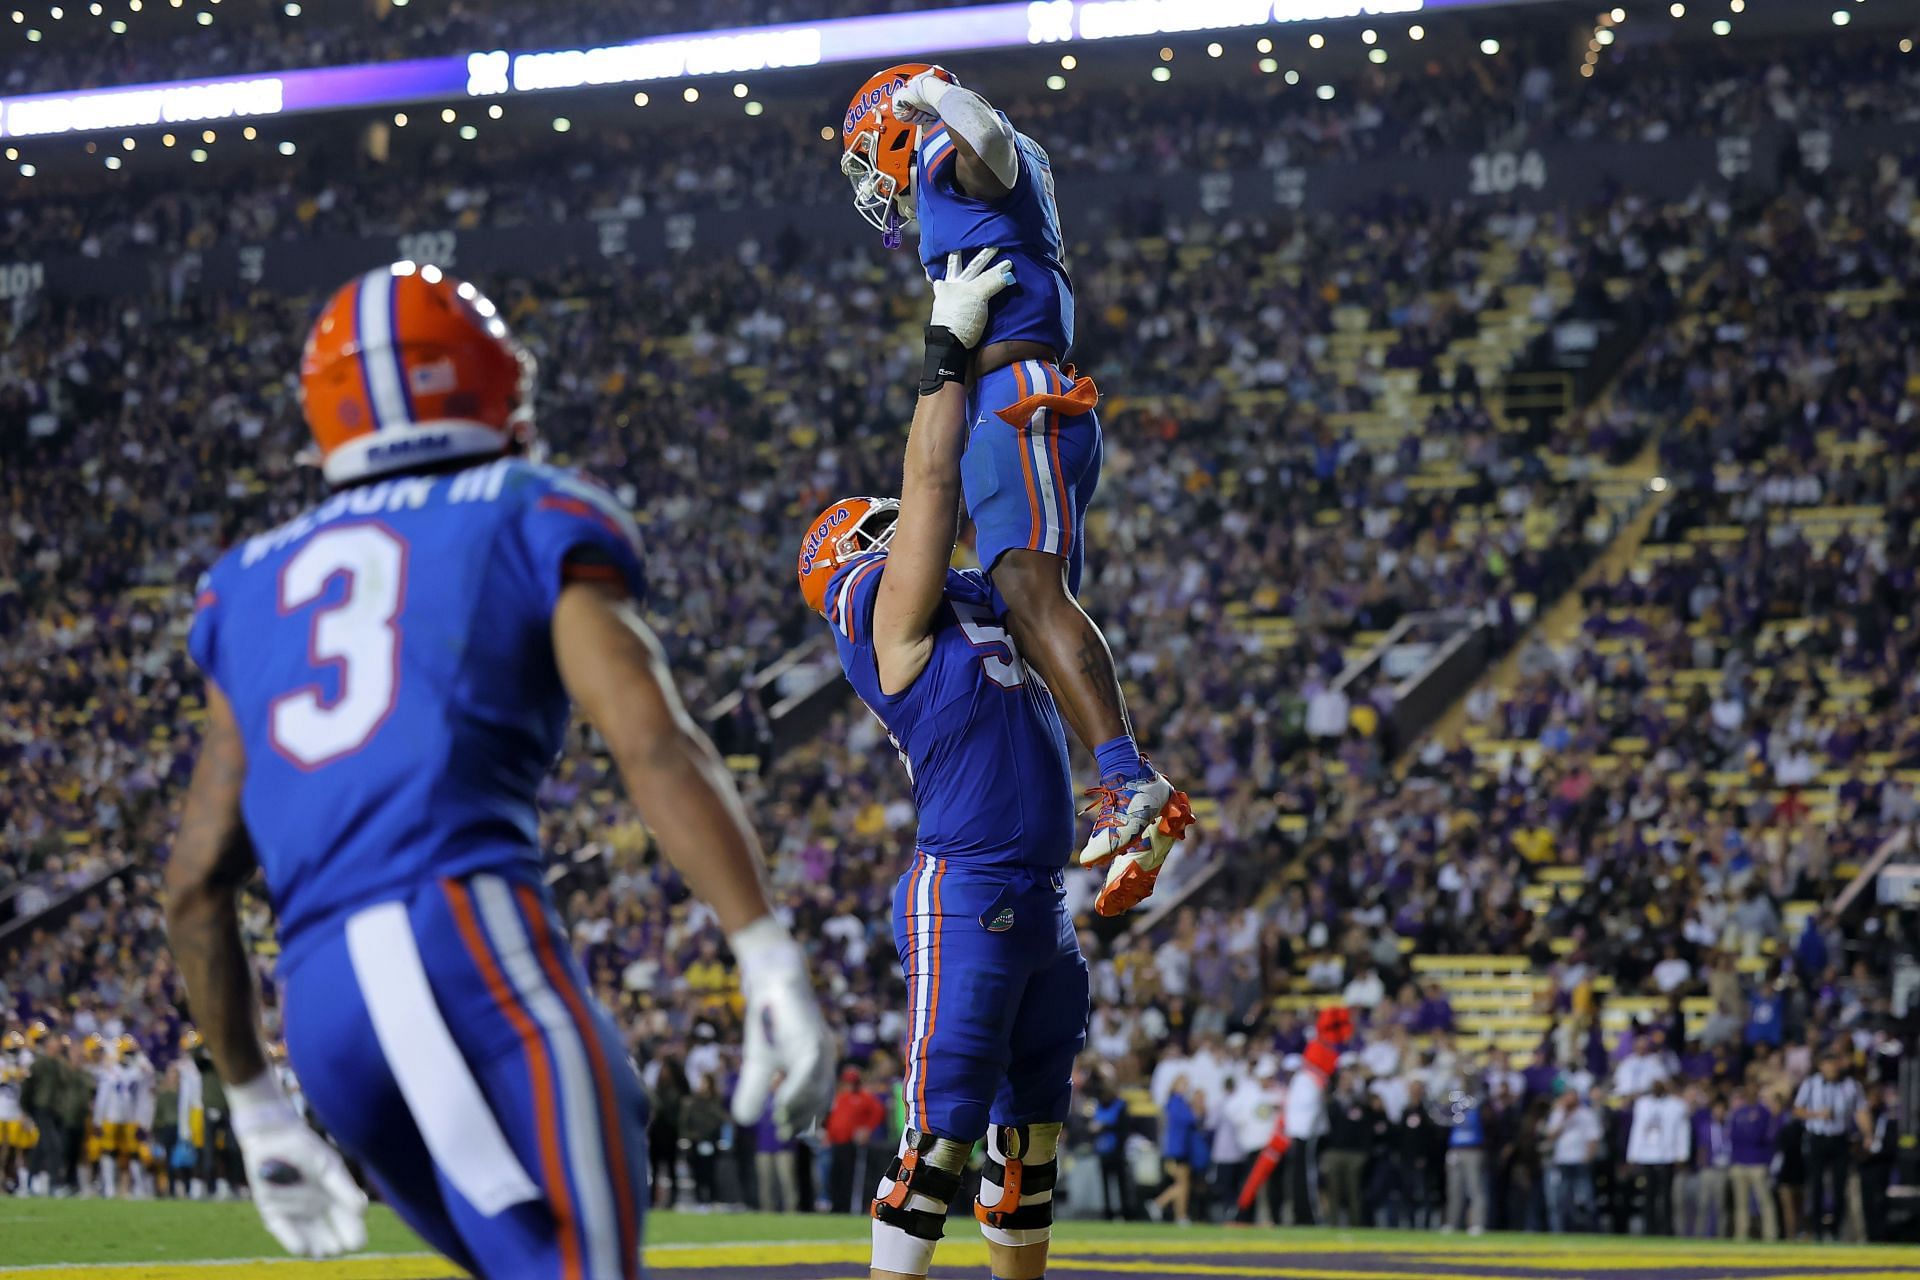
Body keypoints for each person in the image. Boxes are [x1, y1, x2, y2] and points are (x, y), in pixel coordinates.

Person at [165, 263, 835, 1275]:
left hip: (324, 1009)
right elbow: (652, 739)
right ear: (485, 379)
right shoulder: (528, 507)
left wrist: (258, 1103)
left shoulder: (248, 581)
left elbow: (193, 884)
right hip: (465, 947)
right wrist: (764, 947)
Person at [796, 252, 1135, 1280]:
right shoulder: (882, 624)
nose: (915, 537)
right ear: (856, 555)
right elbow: (933, 481)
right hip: (966, 886)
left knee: (1028, 1138)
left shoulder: (970, 605)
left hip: (1038, 893)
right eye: (888, 531)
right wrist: (944, 352)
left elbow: (1022, 541)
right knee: (938, 1138)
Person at [838, 63, 1192, 915]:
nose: (871, 182)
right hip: (1014, 401)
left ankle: (1126, 777)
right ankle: (1116, 778)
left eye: (866, 157)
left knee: (1027, 593)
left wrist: (938, 104)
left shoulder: (948, 146)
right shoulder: (981, 169)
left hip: (1017, 400)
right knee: (1013, 598)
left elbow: (987, 143)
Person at [1792, 1052, 1868, 1241]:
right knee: (1816, 1185)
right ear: (1821, 1066)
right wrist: (1817, 1114)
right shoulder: (1811, 1083)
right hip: (1817, 1137)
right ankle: (1817, 1230)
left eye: (1835, 1063)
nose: (1832, 1067)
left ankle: (1835, 1230)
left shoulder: (1851, 1085)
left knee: (1839, 1186)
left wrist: (1868, 1134)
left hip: (1840, 1139)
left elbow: (1861, 1110)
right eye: (1828, 1063)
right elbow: (1797, 1110)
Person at [1625, 1078, 1688, 1235]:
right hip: (1647, 1155)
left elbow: (1682, 1130)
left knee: (1666, 1195)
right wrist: (1632, 1154)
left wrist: (1682, 1154)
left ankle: (1667, 1229)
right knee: (1649, 1195)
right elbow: (1637, 1129)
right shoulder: (1642, 1104)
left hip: (1667, 1155)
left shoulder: (1676, 1105)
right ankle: (1649, 1229)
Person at [1543, 1089, 1602, 1233]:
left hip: (1579, 1161)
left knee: (1584, 1200)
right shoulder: (1558, 1114)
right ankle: (1560, 1231)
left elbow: (1593, 1138)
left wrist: (1588, 1157)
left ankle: (1588, 1231)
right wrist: (1564, 1118)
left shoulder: (1586, 1114)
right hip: (1561, 1161)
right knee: (1559, 1199)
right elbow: (1550, 1136)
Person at [1726, 1083, 1779, 1241]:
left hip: (1758, 1162)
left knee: (1765, 1202)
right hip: (1739, 1163)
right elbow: (1733, 1136)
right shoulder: (1738, 1113)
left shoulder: (1764, 1113)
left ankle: (1771, 1235)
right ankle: (1741, 1235)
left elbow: (1766, 1137)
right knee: (1741, 1204)